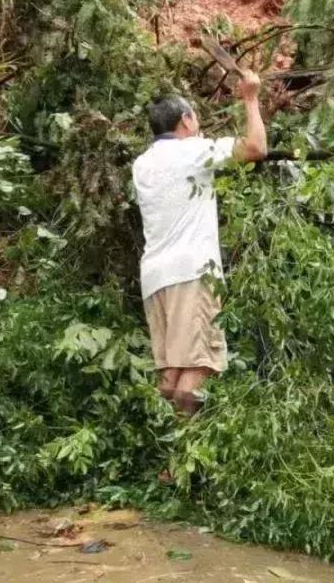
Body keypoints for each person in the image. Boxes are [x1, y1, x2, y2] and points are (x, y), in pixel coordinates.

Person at [133, 70, 268, 415]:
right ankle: (182, 459)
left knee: (171, 371)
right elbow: (256, 147)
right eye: (195, 117)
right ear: (185, 121)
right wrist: (250, 98)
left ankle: (163, 451)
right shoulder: (192, 152)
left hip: (155, 278)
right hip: (192, 272)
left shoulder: (143, 164)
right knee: (199, 362)